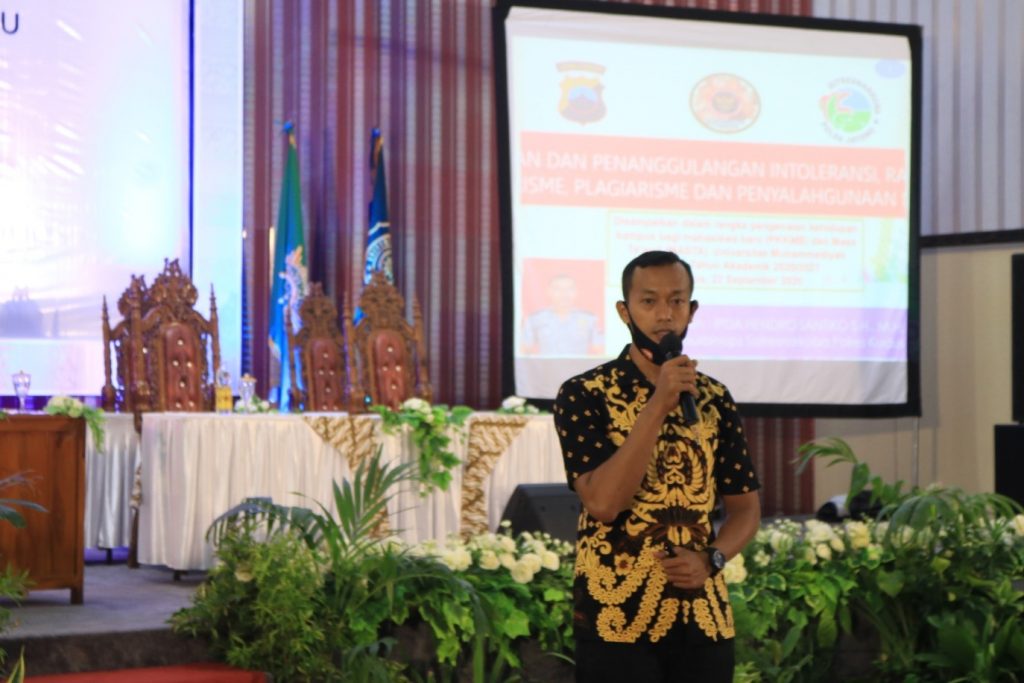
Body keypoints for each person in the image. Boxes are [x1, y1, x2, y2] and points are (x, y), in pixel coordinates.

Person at [553, 250, 761, 683]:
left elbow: (745, 509)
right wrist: (657, 405)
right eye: (649, 301)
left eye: (677, 301)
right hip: (617, 617)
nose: (665, 314)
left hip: (703, 618)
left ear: (692, 310)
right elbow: (603, 504)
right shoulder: (584, 393)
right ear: (624, 311)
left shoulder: (713, 398)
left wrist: (712, 558)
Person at [521, 273, 603, 356]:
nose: (564, 293)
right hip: (547, 364)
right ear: (549, 292)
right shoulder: (535, 319)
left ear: (576, 292)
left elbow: (600, 350)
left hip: (579, 364)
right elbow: (524, 350)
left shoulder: (589, 319)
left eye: (569, 289)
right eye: (558, 289)